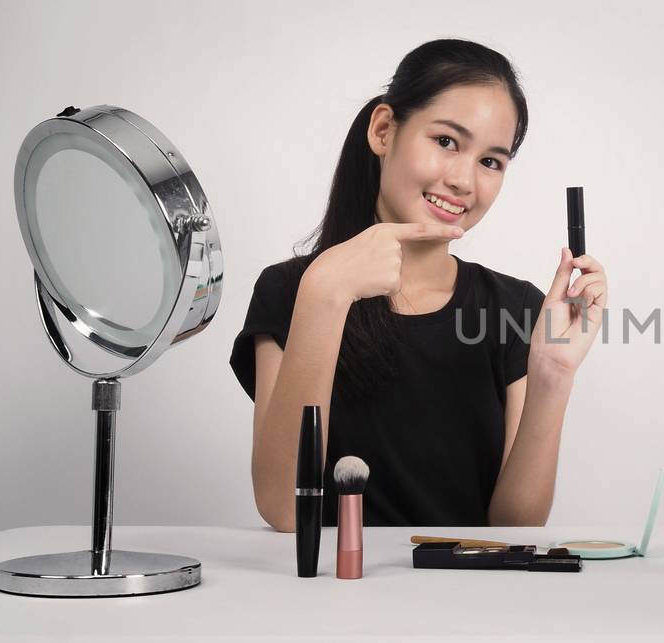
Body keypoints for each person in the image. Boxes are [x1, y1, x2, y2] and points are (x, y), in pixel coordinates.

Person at [228, 39, 609, 531]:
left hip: (468, 597)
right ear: (384, 130)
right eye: (446, 141)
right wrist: (327, 294)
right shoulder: (295, 288)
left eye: (491, 161)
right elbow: (283, 509)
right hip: (330, 594)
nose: (464, 181)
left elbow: (515, 525)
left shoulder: (514, 307)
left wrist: (553, 375)